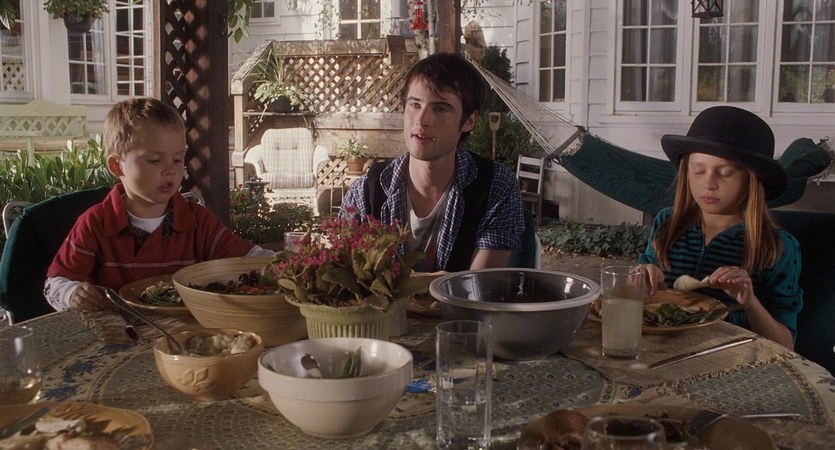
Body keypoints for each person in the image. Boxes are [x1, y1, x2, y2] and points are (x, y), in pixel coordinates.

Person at [45, 98, 273, 312]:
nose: (171, 170)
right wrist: (71, 293)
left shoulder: (198, 221)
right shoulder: (95, 223)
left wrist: (282, 261)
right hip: (117, 332)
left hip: (188, 333)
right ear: (116, 166)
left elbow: (250, 257)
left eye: (178, 159)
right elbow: (55, 284)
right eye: (154, 160)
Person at [340, 52, 525, 272]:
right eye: (415, 105)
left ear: (469, 121)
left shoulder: (495, 186)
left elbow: (477, 287)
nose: (422, 120)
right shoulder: (366, 192)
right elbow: (344, 279)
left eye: (441, 108)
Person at [639, 106, 802, 350]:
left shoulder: (778, 246)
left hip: (736, 359)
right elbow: (638, 302)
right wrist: (640, 280)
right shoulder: (666, 224)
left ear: (752, 180)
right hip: (660, 351)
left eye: (725, 173)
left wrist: (749, 301)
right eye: (698, 170)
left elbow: (785, 345)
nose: (709, 183)